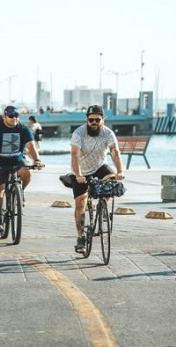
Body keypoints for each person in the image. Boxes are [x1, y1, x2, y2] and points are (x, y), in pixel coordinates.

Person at [69, 105, 124, 253]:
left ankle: (102, 206)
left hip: (100, 167)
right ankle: (81, 237)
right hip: (80, 170)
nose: (94, 122)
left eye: (97, 120)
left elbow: (115, 151)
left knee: (112, 181)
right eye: (91, 119)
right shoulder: (79, 133)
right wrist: (78, 175)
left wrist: (120, 171)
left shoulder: (108, 133)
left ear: (103, 119)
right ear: (87, 119)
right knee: (80, 201)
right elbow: (74, 155)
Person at [0, 105, 43, 233]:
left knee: (27, 171)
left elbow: (31, 146)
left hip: (17, 161)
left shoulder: (23, 128)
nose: (14, 118)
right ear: (4, 117)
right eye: (11, 116)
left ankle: (21, 192)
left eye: (16, 116)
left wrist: (37, 160)